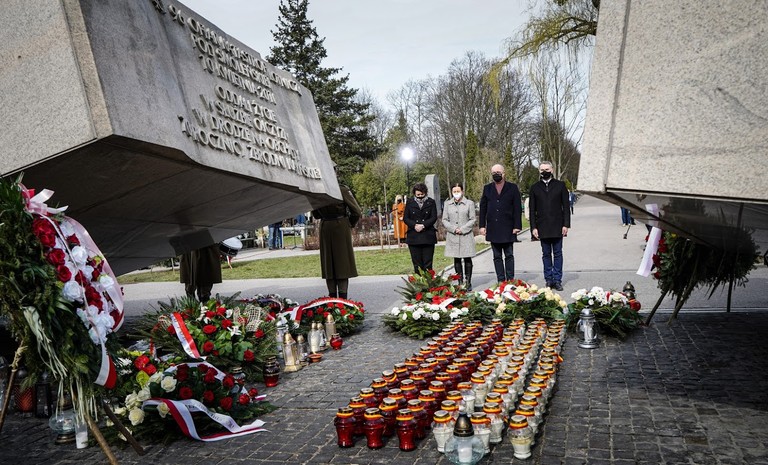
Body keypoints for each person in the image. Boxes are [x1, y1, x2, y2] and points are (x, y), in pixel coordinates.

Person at [312, 185, 362, 298]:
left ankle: (332, 299)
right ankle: (343, 300)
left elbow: (316, 214)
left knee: (328, 265)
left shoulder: (317, 189)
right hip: (341, 226)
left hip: (325, 226)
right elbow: (357, 211)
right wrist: (350, 223)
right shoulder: (341, 189)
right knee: (342, 265)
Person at [529, 161, 571, 291]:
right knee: (546, 254)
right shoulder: (535, 187)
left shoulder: (560, 185)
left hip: (557, 225)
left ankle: (557, 280)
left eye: (547, 169)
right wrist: (533, 227)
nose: (544, 172)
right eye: (542, 170)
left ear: (552, 170)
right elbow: (532, 209)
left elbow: (566, 206)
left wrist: (566, 224)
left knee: (558, 253)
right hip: (542, 226)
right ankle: (548, 279)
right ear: (539, 171)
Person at [479, 164, 523, 283]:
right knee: (497, 256)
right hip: (493, 228)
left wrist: (517, 226)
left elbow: (517, 208)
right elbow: (483, 208)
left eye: (498, 172)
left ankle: (510, 279)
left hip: (508, 227)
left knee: (509, 255)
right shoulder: (487, 188)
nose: (496, 174)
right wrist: (482, 226)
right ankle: (501, 280)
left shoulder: (512, 188)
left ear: (504, 173)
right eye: (494, 173)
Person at [442, 183, 476, 290]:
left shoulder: (469, 203)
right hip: (453, 235)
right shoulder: (447, 204)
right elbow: (444, 219)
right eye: (454, 191)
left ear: (462, 191)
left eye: (458, 191)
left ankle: (468, 281)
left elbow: (472, 219)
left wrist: (463, 229)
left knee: (467, 258)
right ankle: (460, 282)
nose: (456, 193)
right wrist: (453, 229)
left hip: (466, 235)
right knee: (456, 259)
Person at [403, 182, 438, 274]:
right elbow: (406, 218)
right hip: (414, 237)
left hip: (428, 236)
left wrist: (423, 225)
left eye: (422, 194)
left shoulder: (431, 202)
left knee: (428, 264)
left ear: (425, 193)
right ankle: (418, 282)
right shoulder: (410, 202)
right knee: (417, 264)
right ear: (414, 193)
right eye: (418, 195)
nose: (420, 197)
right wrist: (414, 225)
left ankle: (428, 281)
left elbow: (433, 217)